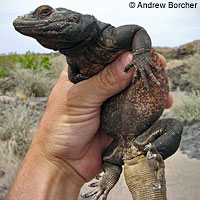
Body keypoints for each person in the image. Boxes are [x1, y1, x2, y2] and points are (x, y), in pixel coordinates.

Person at [6, 52, 172, 200]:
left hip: (132, 145)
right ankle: (116, 177)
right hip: (129, 144)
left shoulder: (113, 50)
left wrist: (58, 164)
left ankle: (154, 155)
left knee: (171, 126)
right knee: (170, 126)